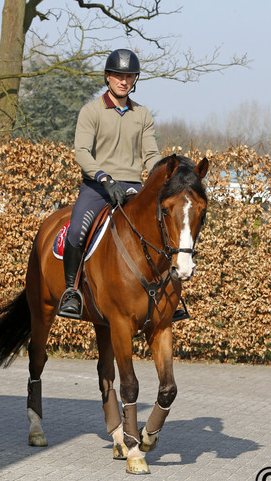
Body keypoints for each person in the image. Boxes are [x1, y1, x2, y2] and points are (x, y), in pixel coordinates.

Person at [58, 49, 186, 321]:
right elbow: (82, 151)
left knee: (161, 231)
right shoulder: (91, 111)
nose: (123, 81)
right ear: (108, 77)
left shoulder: (143, 114)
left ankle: (169, 298)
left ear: (134, 80)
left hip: (132, 187)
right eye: (118, 75)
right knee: (77, 230)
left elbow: (151, 154)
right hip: (97, 186)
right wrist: (104, 177)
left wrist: (162, 176)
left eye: (129, 76)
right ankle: (71, 292)